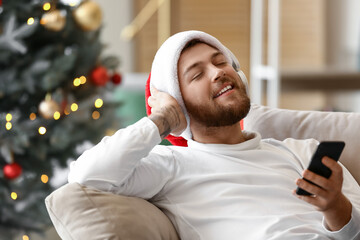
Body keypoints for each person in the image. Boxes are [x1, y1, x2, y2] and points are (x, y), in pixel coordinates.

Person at [68, 30, 360, 239]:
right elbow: (86, 176)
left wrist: (336, 209)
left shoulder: (304, 151)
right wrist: (161, 119)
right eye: (197, 74)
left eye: (221, 62)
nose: (218, 72)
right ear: (178, 102)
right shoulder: (171, 166)